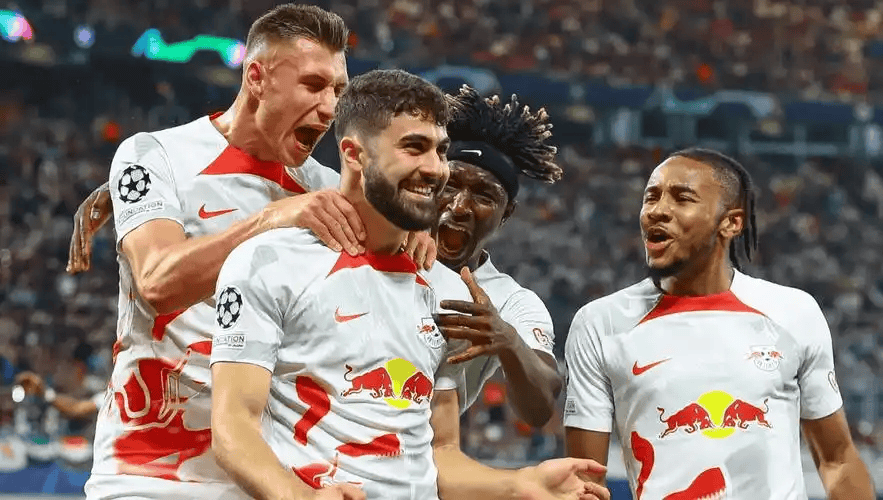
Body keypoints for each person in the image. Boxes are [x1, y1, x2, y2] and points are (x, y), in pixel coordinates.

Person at [210, 69, 609, 500]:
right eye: (415, 148)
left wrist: (518, 483)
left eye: (440, 151)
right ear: (354, 154)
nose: (436, 170)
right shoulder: (270, 262)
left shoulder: (453, 294)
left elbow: (439, 454)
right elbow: (234, 428)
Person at [85, 5, 371, 499]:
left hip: (273, 480)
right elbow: (156, 282)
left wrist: (417, 229)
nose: (329, 108)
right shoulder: (155, 155)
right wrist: (271, 218)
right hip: (149, 476)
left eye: (337, 91)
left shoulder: (328, 192)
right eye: (313, 85)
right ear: (257, 78)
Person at [563, 148, 874, 499]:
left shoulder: (793, 312)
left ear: (731, 223)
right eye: (651, 197)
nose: (657, 210)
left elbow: (838, 460)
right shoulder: (600, 323)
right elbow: (585, 483)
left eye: (682, 198)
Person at [429, 86, 562, 426]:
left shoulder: (509, 300)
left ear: (506, 214)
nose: (460, 206)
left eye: (484, 195)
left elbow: (541, 406)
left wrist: (508, 340)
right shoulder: (379, 247)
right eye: (450, 185)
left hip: (419, 449)